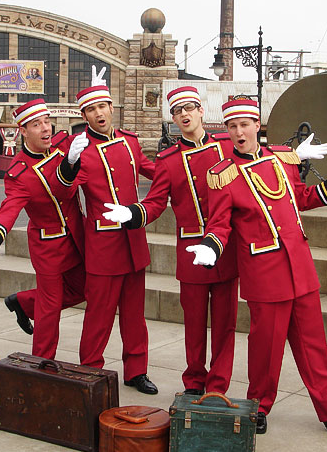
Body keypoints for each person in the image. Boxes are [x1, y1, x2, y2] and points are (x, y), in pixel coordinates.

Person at [187, 98, 327, 433]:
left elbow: (302, 198)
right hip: (264, 271)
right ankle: (258, 407)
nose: (239, 132)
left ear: (257, 126)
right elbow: (219, 224)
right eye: (232, 127)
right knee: (266, 348)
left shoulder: (282, 160)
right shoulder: (222, 175)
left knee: (313, 343)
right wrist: (210, 247)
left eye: (244, 125)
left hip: (299, 266)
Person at [100, 86, 239, 396]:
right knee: (194, 325)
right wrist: (132, 214)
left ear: (201, 111)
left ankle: (217, 386)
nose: (185, 114)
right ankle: (194, 383)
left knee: (225, 326)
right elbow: (155, 202)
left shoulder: (226, 148)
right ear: (173, 119)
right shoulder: (168, 160)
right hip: (191, 253)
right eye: (178, 111)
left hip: (225, 250)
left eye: (190, 107)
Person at [0, 98, 88, 360]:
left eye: (47, 122)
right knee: (49, 312)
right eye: (36, 124)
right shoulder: (19, 173)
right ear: (23, 131)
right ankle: (42, 365)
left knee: (84, 291)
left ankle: (23, 302)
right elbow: (10, 208)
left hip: (78, 237)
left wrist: (98, 92)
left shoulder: (63, 146)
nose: (45, 129)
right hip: (48, 245)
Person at [57, 74, 158, 395]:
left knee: (134, 316)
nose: (99, 113)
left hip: (133, 242)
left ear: (112, 108)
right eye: (91, 110)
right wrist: (69, 164)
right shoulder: (82, 150)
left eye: (103, 106)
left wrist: (192, 175)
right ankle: (91, 370)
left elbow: (154, 171)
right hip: (103, 245)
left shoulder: (130, 141)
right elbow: (64, 190)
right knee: (99, 316)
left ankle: (136, 371)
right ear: (84, 116)